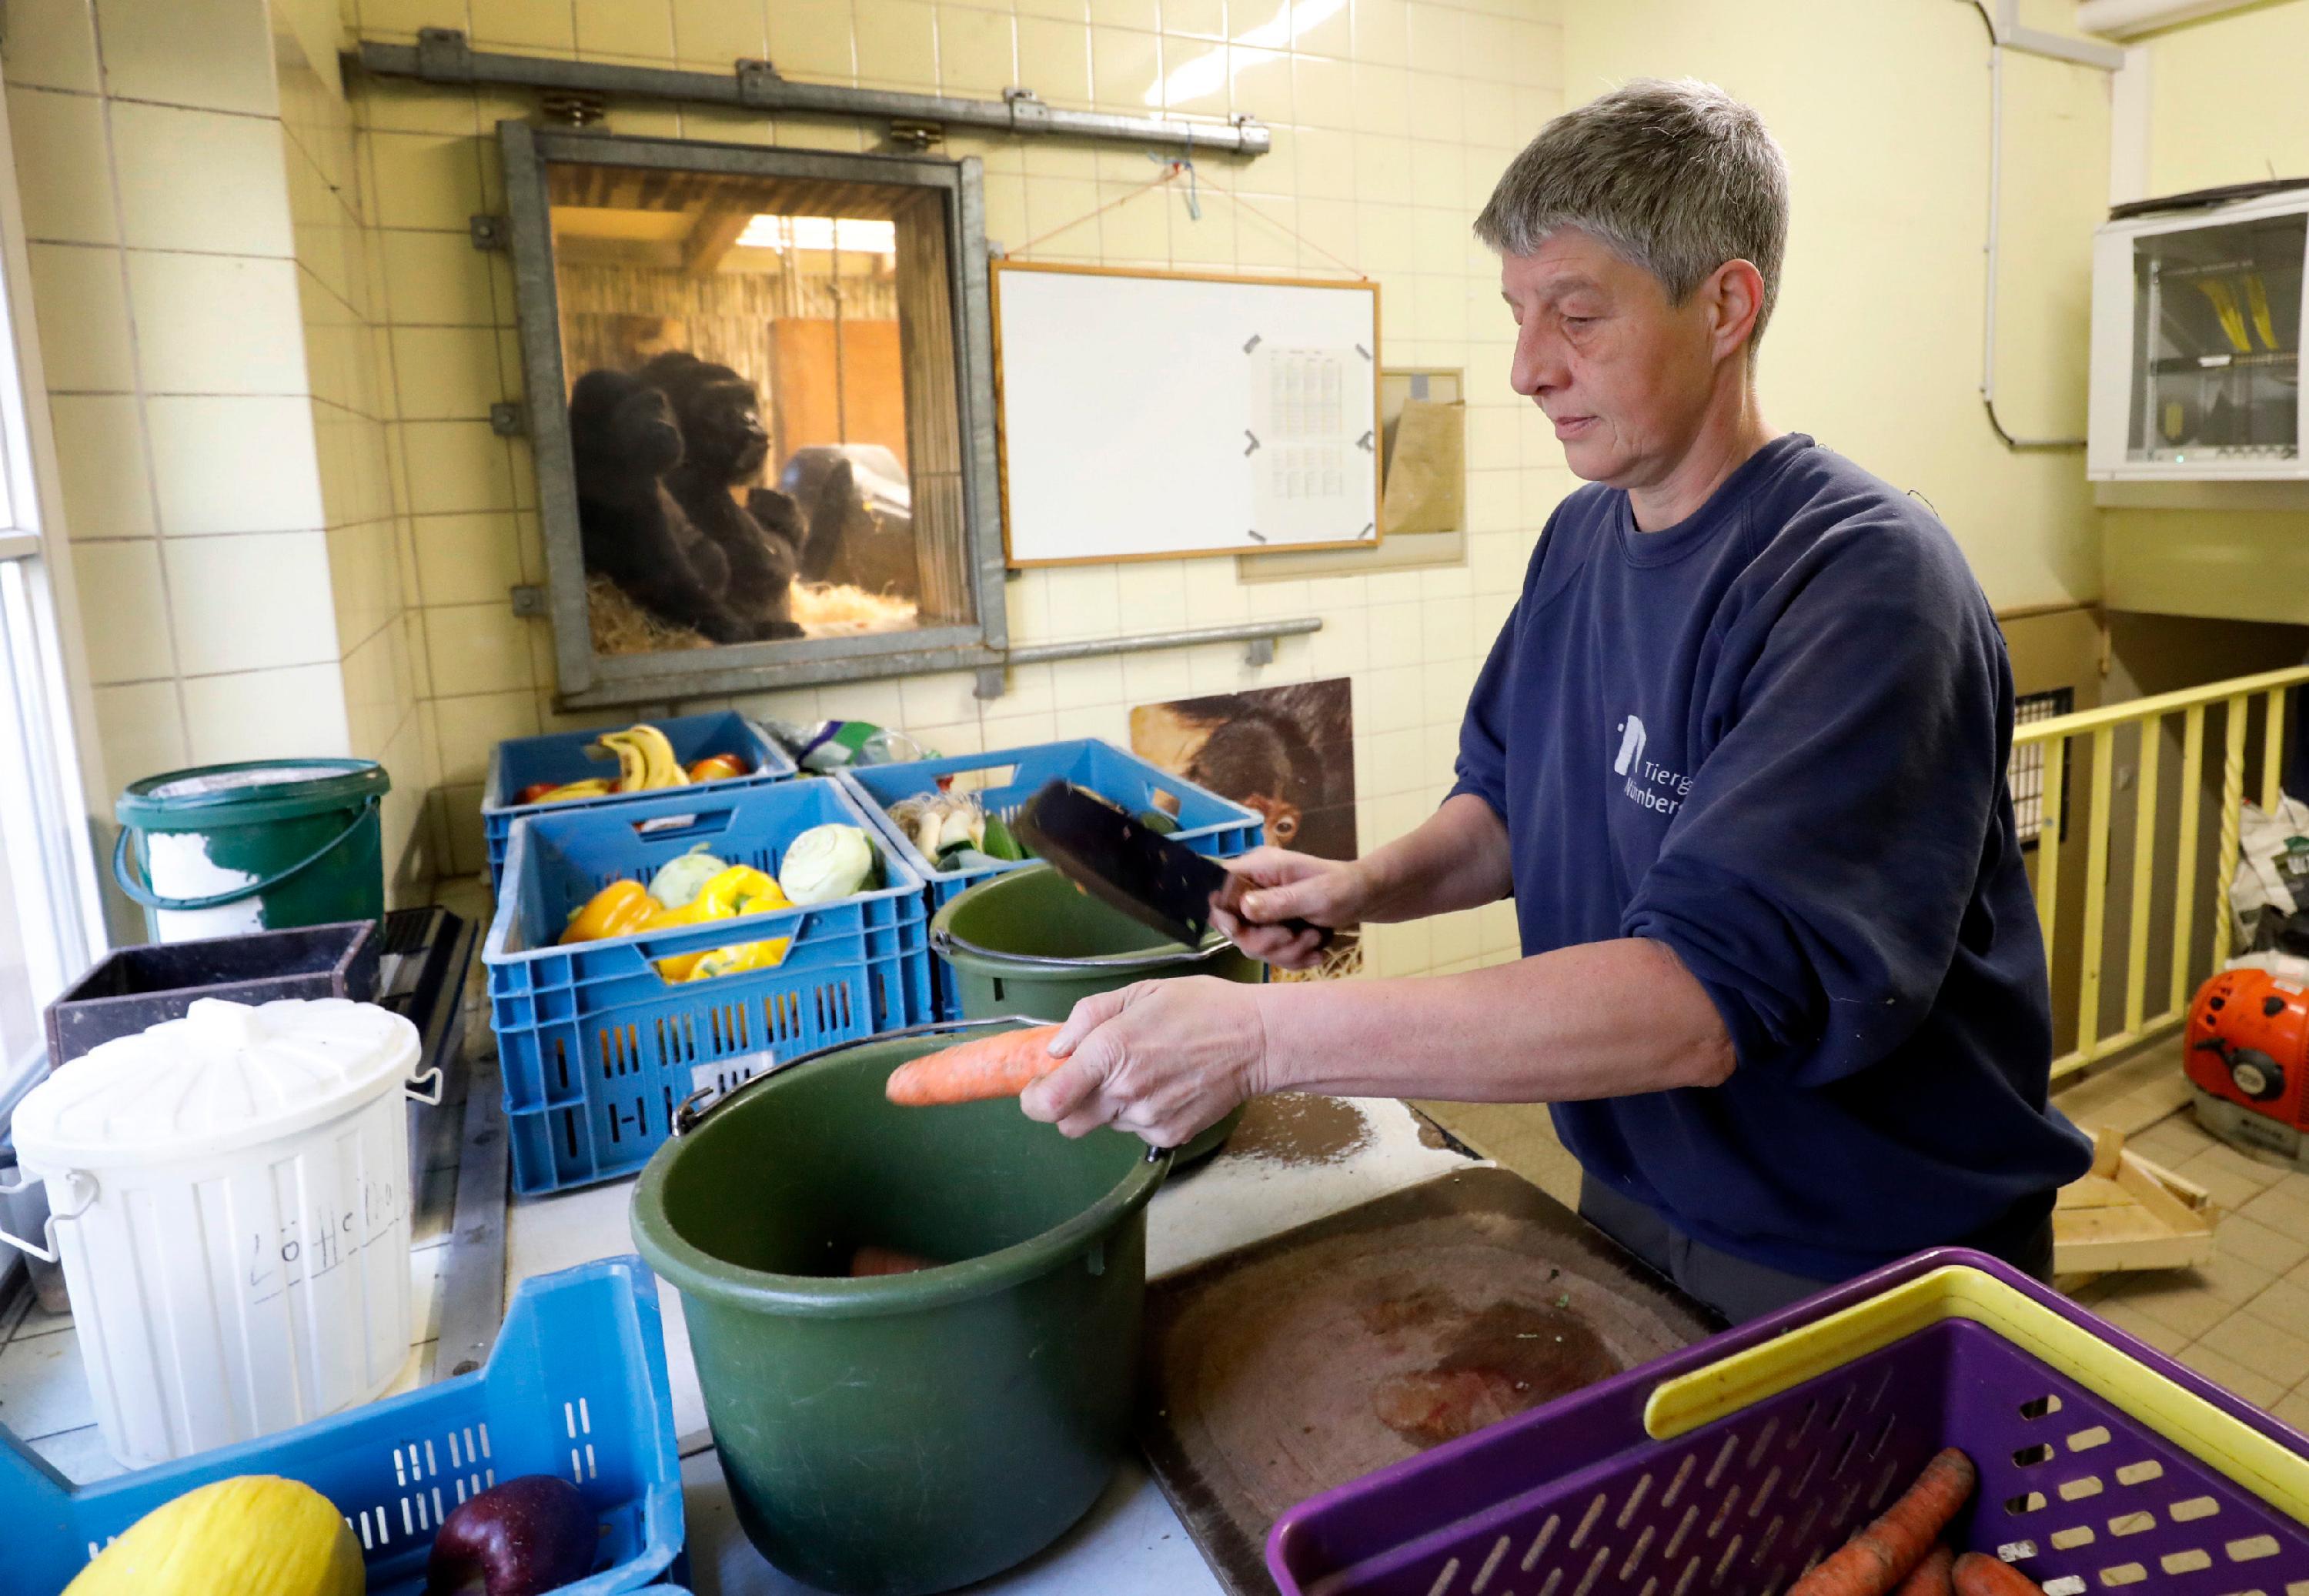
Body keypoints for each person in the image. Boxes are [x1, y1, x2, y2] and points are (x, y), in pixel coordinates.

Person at [1021, 78, 2093, 1324]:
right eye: (1519, 315)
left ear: (1727, 305)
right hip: (1637, 1182)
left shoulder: (1862, 582)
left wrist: (1257, 1042)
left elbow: (1699, 1003)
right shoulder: (1582, 541)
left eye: (1577, 316)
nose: (1530, 368)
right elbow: (1513, 803)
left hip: (1855, 1245)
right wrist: (1366, 884)